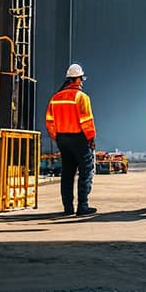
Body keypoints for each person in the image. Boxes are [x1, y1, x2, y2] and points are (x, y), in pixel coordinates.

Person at [45, 63, 97, 216]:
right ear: (77, 79)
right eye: (81, 79)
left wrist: (57, 137)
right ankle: (83, 206)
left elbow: (49, 122)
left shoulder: (55, 98)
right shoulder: (81, 97)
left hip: (62, 139)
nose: (81, 82)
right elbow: (87, 121)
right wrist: (91, 139)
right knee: (86, 172)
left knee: (67, 173)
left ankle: (68, 208)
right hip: (79, 138)